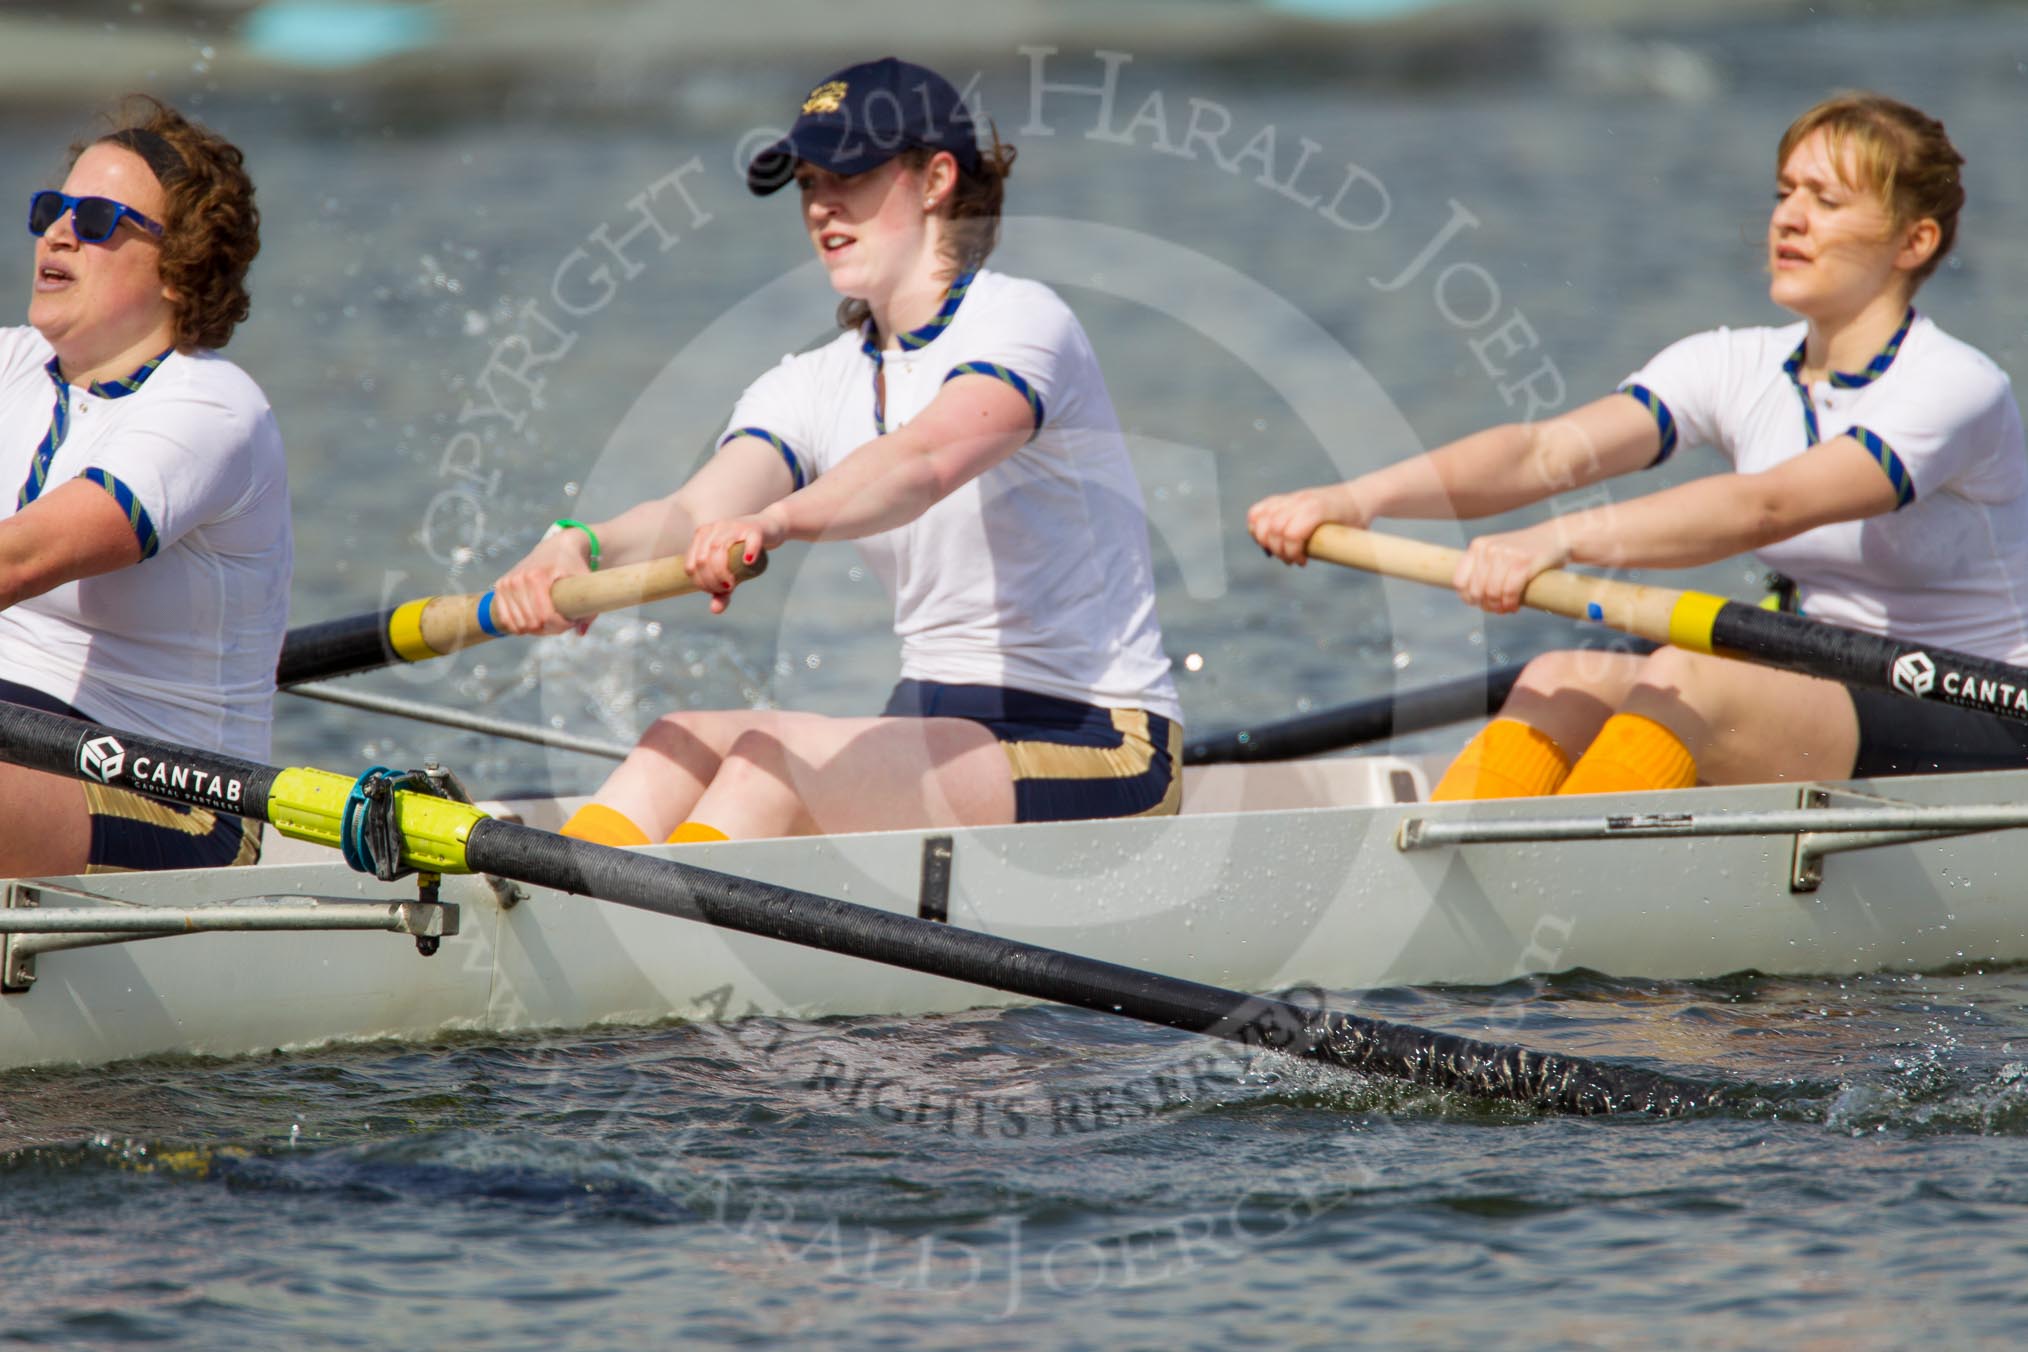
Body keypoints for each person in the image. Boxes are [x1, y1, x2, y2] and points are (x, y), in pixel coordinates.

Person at [1250, 92, 2028, 799]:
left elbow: (1767, 506)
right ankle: (1450, 873)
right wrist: (1354, 499)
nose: (1790, 219)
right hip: (1818, 688)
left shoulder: (1956, 388)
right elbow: (1541, 454)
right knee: (1563, 674)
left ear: (1913, 242)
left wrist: (1556, 540)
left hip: (1978, 714)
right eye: (1785, 193)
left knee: (1687, 680)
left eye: (1826, 200)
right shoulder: (1735, 362)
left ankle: (1555, 890)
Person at [489, 57, 1180, 843]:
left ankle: (643, 941)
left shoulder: (1023, 322)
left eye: (848, 175)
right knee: (673, 744)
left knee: (767, 763)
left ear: (935, 179)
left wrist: (776, 524)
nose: (822, 206)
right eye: (809, 182)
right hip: (931, 722)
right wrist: (578, 546)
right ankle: (584, 926)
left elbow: (922, 463)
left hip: (1096, 744)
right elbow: (694, 510)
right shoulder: (810, 384)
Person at [0, 99, 289, 874]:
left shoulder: (209, 409)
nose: (58, 233)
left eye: (96, 220)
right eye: (52, 210)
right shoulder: (14, 366)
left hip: (174, 803)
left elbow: (18, 561)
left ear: (178, 266)